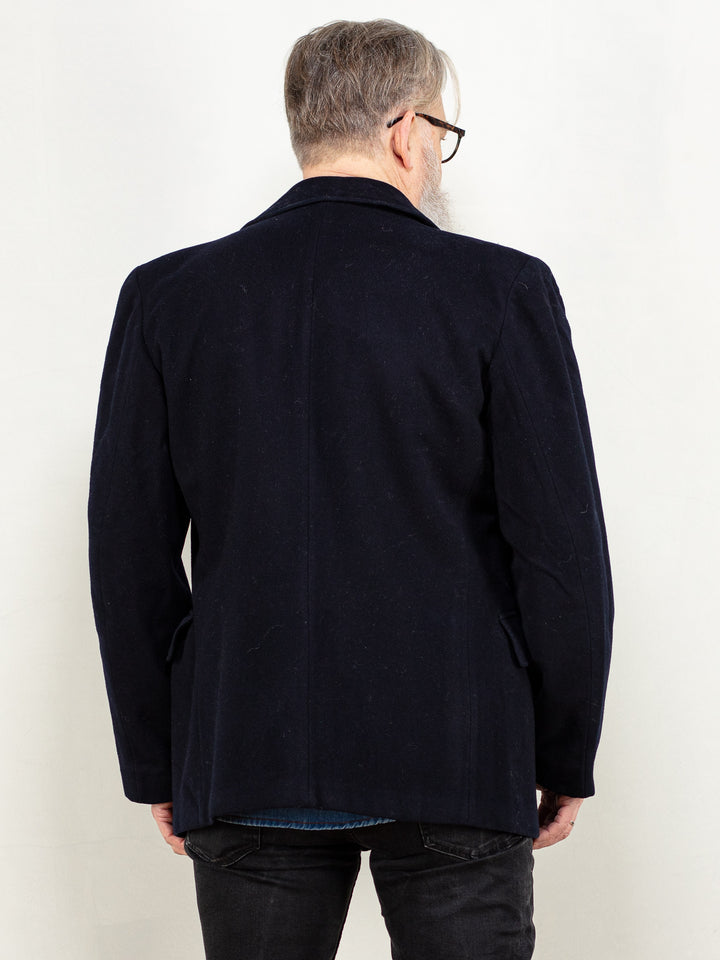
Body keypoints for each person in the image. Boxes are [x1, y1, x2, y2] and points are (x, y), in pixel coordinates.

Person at [88, 18, 613, 960]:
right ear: (406, 131)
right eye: (442, 133)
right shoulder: (502, 289)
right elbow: (560, 551)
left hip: (245, 748)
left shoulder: (167, 297)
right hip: (458, 751)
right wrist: (564, 750)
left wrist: (160, 758)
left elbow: (127, 554)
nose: (438, 155)